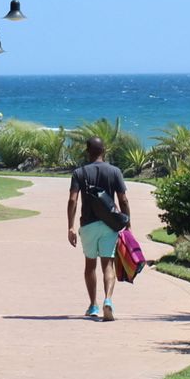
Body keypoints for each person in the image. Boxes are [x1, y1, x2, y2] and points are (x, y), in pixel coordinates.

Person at [67, 135, 131, 320]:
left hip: (88, 224)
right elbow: (123, 200)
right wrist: (128, 225)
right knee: (108, 264)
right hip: (110, 224)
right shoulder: (115, 171)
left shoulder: (79, 173)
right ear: (104, 150)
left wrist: (70, 226)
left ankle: (93, 305)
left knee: (90, 265)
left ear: (87, 151)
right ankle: (108, 300)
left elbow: (72, 200)